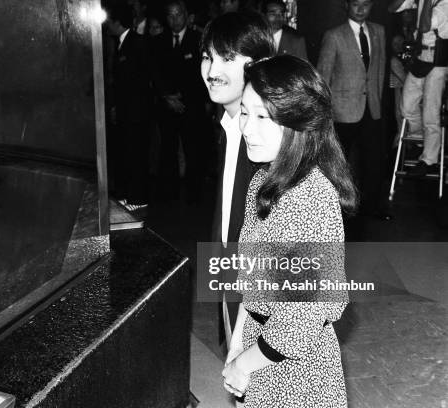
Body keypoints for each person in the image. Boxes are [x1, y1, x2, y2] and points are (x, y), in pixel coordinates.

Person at [222, 54, 356, 407]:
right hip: (260, 346)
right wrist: (238, 341)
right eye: (246, 113)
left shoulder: (310, 198)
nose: (247, 127)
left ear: (300, 123)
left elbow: (301, 320)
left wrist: (245, 363)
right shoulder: (264, 181)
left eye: (263, 116)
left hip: (297, 369)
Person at [200, 10, 275, 347]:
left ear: (258, 63)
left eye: (227, 58)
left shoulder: (267, 142)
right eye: (207, 57)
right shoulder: (230, 126)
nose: (212, 71)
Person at [317, 0, 389, 220]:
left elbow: (379, 70)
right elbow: (323, 75)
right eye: (356, 4)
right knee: (339, 162)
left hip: (371, 108)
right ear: (346, 6)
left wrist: (378, 102)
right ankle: (333, 210)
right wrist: (324, 113)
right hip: (341, 110)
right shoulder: (334, 35)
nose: (360, 9)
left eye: (366, 4)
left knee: (373, 161)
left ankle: (371, 208)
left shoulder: (379, 31)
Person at [152, 0, 209, 202]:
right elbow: (154, 72)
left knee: (193, 149)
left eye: (178, 14)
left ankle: (194, 195)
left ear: (186, 15)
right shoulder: (158, 41)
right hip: (167, 105)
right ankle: (170, 194)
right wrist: (167, 96)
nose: (174, 19)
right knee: (167, 149)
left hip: (191, 105)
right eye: (170, 15)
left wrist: (184, 98)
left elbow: (202, 75)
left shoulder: (198, 39)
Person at [389, 0, 448, 176]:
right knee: (406, 106)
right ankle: (421, 139)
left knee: (431, 111)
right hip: (421, 57)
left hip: (438, 60)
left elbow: (423, 27)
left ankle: (429, 160)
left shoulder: (445, 4)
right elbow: (392, 8)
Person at [105, 4, 151, 211]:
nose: (106, 25)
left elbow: (141, 79)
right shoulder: (121, 44)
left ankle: (138, 198)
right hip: (125, 112)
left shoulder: (137, 43)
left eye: (109, 21)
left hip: (136, 111)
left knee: (136, 155)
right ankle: (128, 194)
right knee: (126, 153)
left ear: (116, 22)